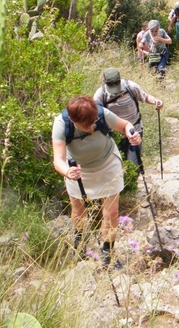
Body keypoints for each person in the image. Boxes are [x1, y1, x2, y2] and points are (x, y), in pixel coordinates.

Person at [52, 95, 141, 269]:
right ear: (72, 120)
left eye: (93, 122)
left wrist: (132, 134)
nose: (91, 127)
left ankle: (107, 252)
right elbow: (58, 160)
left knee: (112, 212)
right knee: (78, 211)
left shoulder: (102, 114)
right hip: (77, 170)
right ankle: (79, 241)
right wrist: (67, 172)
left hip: (107, 163)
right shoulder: (61, 124)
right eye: (85, 126)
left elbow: (125, 126)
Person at [93, 67, 163, 174]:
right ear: (104, 82)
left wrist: (156, 101)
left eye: (116, 84)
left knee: (133, 165)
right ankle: (125, 189)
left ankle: (135, 184)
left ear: (120, 80)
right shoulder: (101, 94)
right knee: (118, 165)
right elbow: (95, 113)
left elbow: (145, 97)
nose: (114, 87)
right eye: (111, 85)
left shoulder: (131, 87)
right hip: (114, 135)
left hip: (134, 131)